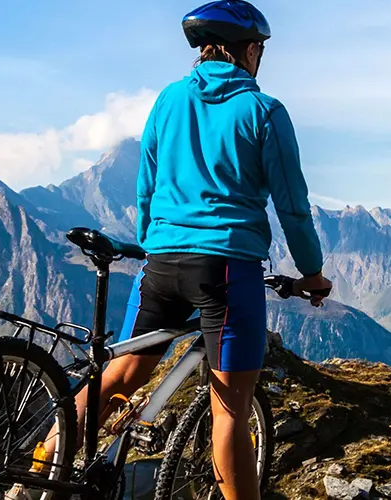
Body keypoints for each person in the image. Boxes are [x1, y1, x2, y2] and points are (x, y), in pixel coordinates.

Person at [34, 2, 332, 500]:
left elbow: (146, 188)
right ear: (249, 49)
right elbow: (293, 206)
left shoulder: (168, 100)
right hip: (227, 270)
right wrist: (313, 273)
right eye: (260, 49)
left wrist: (155, 242)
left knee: (120, 373)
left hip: (162, 263)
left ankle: (39, 472)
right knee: (230, 414)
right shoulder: (264, 111)